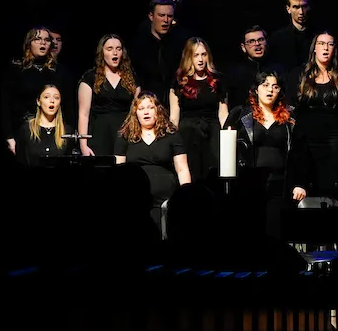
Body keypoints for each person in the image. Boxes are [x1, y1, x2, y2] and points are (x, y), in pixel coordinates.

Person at [226, 71, 303, 238]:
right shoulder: (241, 115)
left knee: (275, 232)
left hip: (280, 184)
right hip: (251, 184)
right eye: (265, 85)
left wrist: (299, 183)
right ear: (256, 89)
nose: (270, 91)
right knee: (252, 233)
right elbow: (227, 149)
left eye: (275, 87)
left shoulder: (291, 117)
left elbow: (299, 153)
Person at [290, 31, 338, 203]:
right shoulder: (301, 76)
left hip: (334, 145)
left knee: (332, 196)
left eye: (330, 44)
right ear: (314, 49)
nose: (325, 48)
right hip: (308, 144)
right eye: (321, 44)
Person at [115, 91, 192, 227]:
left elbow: (182, 168)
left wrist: (186, 196)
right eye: (141, 108)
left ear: (158, 110)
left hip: (165, 200)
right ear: (135, 113)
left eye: (150, 108)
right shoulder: (125, 136)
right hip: (136, 199)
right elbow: (118, 171)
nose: (146, 112)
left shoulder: (171, 134)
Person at [168, 37, 228, 180]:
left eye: (203, 54)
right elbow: (174, 116)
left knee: (213, 173)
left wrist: (226, 138)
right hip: (188, 132)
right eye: (196, 55)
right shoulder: (179, 81)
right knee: (192, 173)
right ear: (189, 57)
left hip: (212, 132)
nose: (200, 59)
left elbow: (223, 112)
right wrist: (171, 140)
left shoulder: (217, 80)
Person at [78, 34, 137, 159]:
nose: (115, 53)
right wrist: (83, 145)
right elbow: (83, 114)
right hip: (100, 134)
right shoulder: (90, 78)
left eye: (118, 49)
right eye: (109, 49)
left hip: (124, 133)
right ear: (102, 53)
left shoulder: (131, 78)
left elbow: (136, 111)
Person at [1, 26, 55, 154]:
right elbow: (5, 105)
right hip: (23, 130)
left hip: (52, 130)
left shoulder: (57, 72)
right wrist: (9, 136)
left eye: (46, 40)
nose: (43, 43)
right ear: (29, 43)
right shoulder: (16, 71)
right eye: (37, 39)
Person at [14, 84, 67, 167]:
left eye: (56, 97)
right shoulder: (26, 129)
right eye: (46, 97)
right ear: (38, 101)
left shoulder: (67, 132)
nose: (52, 100)